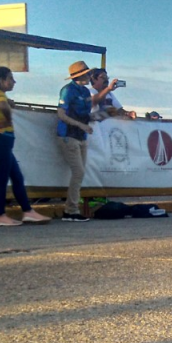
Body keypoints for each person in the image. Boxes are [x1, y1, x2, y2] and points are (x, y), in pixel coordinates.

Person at [0, 67, 51, 227]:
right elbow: (3, 106)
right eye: (10, 78)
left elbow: (4, 104)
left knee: (17, 177)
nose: (14, 82)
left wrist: (9, 103)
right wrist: (8, 119)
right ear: (1, 80)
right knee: (2, 179)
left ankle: (28, 212)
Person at [57, 61, 95, 222]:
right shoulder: (67, 90)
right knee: (78, 172)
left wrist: (106, 114)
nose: (90, 76)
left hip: (81, 136)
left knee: (80, 173)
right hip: (68, 135)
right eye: (87, 74)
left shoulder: (86, 91)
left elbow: (87, 115)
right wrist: (81, 125)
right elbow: (61, 114)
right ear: (80, 75)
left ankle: (71, 208)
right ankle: (71, 209)